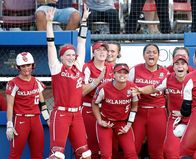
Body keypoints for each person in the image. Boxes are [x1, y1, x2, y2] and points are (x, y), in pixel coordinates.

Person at [132, 55, 196, 159]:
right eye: (177, 64)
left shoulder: (194, 79)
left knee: (193, 152)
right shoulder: (169, 78)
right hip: (175, 118)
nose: (179, 66)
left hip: (192, 119)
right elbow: (153, 88)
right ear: (173, 67)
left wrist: (185, 113)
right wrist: (140, 90)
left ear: (187, 67)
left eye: (183, 63)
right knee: (170, 151)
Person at [46, 6, 92, 159]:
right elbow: (51, 44)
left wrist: (84, 20)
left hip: (77, 114)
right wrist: (48, 23)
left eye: (73, 55)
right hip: (61, 114)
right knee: (57, 155)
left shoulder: (78, 66)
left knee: (85, 154)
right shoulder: (56, 68)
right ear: (61, 57)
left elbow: (81, 41)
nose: (71, 57)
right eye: (67, 55)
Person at [5, 52, 49, 159]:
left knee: (37, 155)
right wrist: (9, 124)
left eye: (28, 65)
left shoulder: (37, 81)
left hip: (36, 120)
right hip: (21, 120)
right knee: (15, 155)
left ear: (33, 65)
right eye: (23, 66)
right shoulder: (13, 83)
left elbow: (42, 103)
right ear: (18, 67)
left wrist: (48, 119)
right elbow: (10, 106)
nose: (26, 68)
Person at [128, 44, 169, 158]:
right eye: (148, 52)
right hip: (139, 112)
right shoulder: (135, 70)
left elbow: (168, 97)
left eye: (154, 52)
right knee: (132, 148)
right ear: (143, 55)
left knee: (157, 151)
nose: (151, 54)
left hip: (158, 113)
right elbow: (127, 90)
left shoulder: (166, 73)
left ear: (159, 55)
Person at [92, 63, 138, 159]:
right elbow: (95, 104)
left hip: (122, 122)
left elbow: (134, 106)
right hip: (106, 121)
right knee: (106, 155)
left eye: (125, 73)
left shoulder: (132, 87)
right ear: (113, 74)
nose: (122, 75)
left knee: (131, 154)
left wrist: (128, 125)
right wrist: (100, 121)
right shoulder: (103, 88)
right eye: (119, 72)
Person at [82, 41, 114, 159]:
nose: (102, 52)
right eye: (98, 50)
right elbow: (81, 92)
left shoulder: (111, 67)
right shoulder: (87, 67)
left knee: (107, 148)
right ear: (93, 53)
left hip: (106, 110)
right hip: (88, 109)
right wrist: (98, 80)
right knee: (90, 146)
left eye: (104, 50)